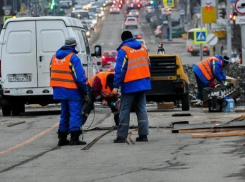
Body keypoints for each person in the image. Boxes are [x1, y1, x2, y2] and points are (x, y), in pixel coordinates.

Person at [113, 31, 151, 143]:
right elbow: (148, 64)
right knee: (142, 109)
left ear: (123, 39)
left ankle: (121, 136)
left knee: (125, 110)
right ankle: (143, 135)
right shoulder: (143, 48)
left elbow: (120, 70)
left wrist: (116, 85)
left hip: (130, 84)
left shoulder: (124, 50)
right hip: (143, 83)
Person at [50, 37, 88, 146]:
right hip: (72, 90)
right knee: (75, 113)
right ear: (74, 46)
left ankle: (62, 138)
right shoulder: (73, 58)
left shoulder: (54, 57)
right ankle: (74, 137)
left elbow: (51, 72)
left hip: (59, 90)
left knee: (64, 114)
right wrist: (84, 91)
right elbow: (80, 77)